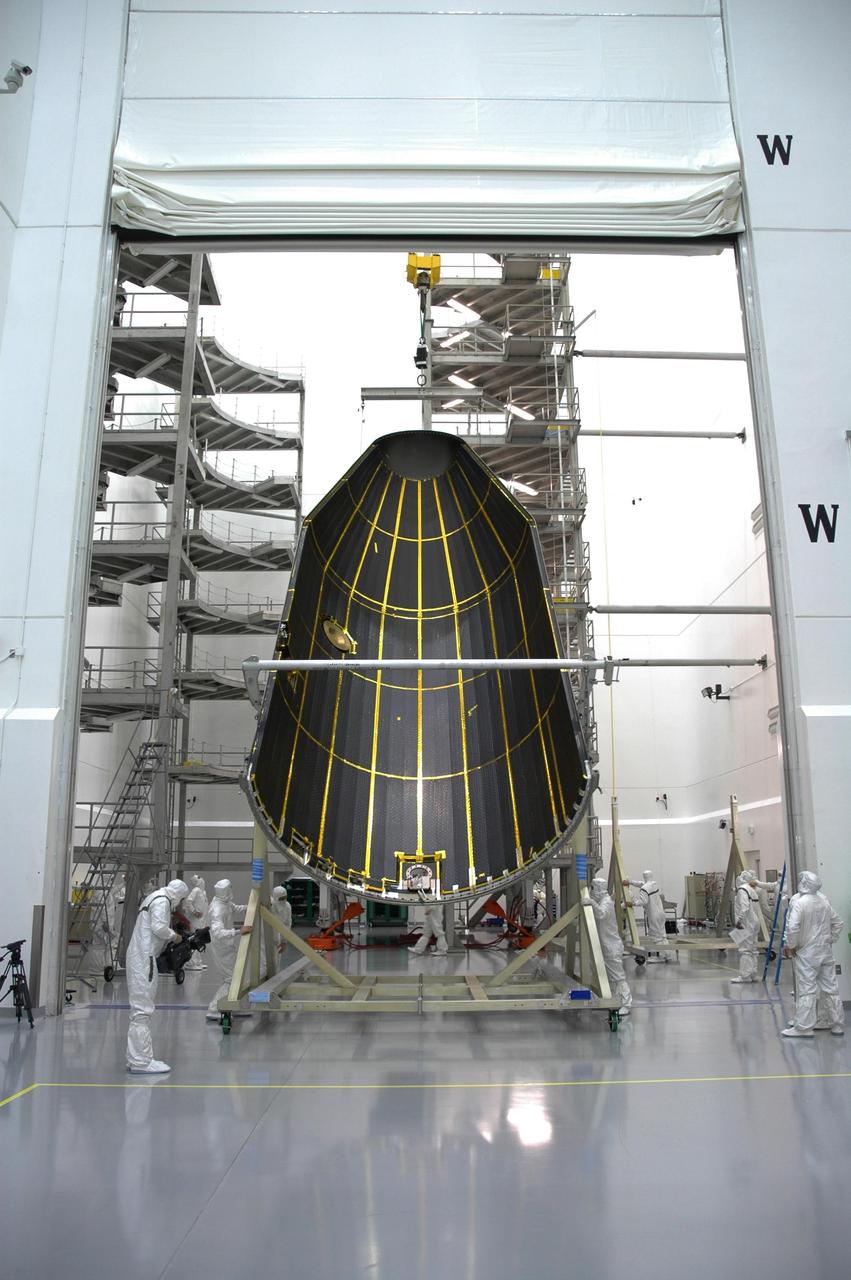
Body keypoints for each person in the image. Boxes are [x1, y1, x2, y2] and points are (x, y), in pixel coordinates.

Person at [125, 879, 189, 1074]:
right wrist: (175, 936)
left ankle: (135, 1057)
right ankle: (142, 1062)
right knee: (142, 1010)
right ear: (178, 895)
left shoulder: (153, 897)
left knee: (138, 1010)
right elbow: (159, 927)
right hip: (145, 959)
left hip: (139, 955)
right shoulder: (162, 901)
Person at [781, 871, 845, 1038]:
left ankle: (804, 1027)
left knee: (807, 989)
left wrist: (791, 945)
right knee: (831, 988)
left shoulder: (800, 903)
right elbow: (838, 922)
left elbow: (792, 927)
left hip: (807, 953)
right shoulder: (823, 902)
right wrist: (830, 938)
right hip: (825, 952)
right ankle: (836, 1024)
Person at [206, 879, 252, 1020]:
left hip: (228, 946)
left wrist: (251, 907)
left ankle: (233, 1005)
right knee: (231, 979)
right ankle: (214, 1008)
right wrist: (239, 931)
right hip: (221, 948)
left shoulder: (224, 902)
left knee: (236, 977)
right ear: (226, 891)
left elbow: (236, 908)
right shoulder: (217, 909)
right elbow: (218, 933)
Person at [589, 877, 632, 1015]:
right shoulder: (603, 901)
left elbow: (601, 914)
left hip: (612, 946)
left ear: (599, 889)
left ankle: (626, 1003)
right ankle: (615, 1001)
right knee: (611, 978)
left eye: (593, 888)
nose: (591, 891)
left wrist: (591, 903)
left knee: (618, 977)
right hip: (607, 945)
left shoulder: (606, 902)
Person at [730, 869, 769, 983]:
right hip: (754, 922)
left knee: (745, 950)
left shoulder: (742, 890)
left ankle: (745, 976)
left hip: (746, 923)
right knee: (753, 948)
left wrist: (739, 921)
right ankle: (752, 974)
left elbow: (745, 907)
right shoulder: (752, 890)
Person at [626, 870, 668, 949]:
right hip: (661, 913)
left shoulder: (644, 888)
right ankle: (667, 955)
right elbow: (641, 884)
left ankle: (662, 956)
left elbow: (643, 901)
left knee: (656, 936)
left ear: (644, 877)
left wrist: (632, 903)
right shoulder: (654, 884)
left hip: (653, 915)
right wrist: (630, 882)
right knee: (662, 935)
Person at [183, 874, 209, 970]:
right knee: (194, 939)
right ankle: (190, 963)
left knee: (200, 940)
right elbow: (188, 902)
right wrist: (194, 911)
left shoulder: (203, 892)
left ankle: (198, 962)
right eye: (198, 879)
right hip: (195, 920)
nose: (201, 880)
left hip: (202, 921)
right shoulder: (196, 890)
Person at [270, 885, 292, 970]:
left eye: (285, 898)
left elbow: (287, 924)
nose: (283, 900)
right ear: (275, 897)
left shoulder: (287, 906)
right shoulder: (269, 906)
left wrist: (284, 941)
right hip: (265, 939)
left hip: (277, 938)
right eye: (281, 898)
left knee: (277, 962)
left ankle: (274, 979)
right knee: (265, 963)